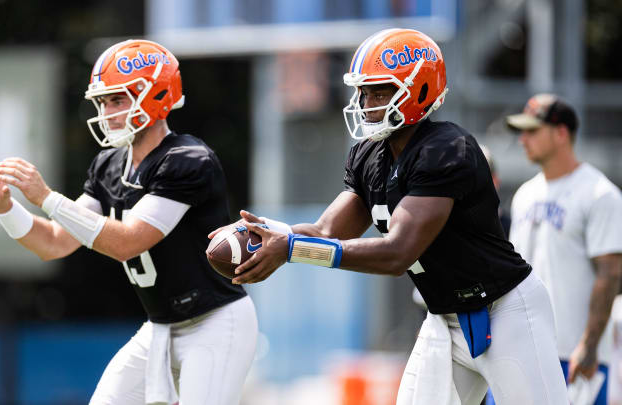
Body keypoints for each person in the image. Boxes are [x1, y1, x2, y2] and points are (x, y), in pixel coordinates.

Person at [214, 29, 569, 404]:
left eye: (380, 91)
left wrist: (292, 250)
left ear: (419, 90)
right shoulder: (369, 155)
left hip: (506, 312)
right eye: (364, 92)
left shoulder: (447, 149)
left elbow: (398, 253)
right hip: (445, 318)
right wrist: (265, 232)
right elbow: (326, 230)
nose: (367, 103)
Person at [0, 39, 258, 405]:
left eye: (117, 99)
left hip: (213, 323)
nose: (108, 110)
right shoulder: (110, 165)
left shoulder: (187, 159)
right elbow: (54, 242)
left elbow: (128, 242)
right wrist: (5, 208)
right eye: (103, 102)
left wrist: (47, 198)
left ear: (157, 95)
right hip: (161, 327)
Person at [506, 94, 622, 404]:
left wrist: (589, 345)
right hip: (523, 351)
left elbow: (609, 274)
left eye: (532, 130)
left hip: (574, 356)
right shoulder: (524, 195)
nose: (523, 139)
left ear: (561, 133)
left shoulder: (599, 194)